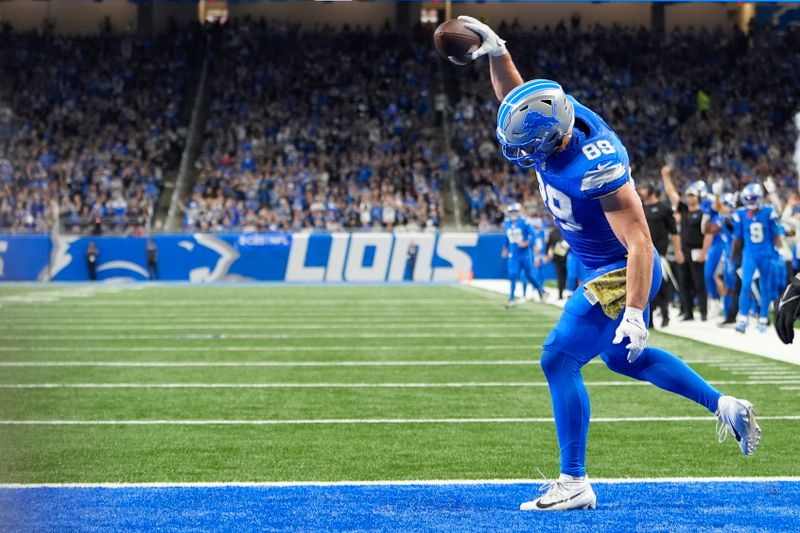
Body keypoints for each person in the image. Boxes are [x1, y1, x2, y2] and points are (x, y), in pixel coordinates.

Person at [456, 15, 761, 512]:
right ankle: (724, 405)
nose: (519, 153)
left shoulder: (597, 167)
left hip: (622, 270)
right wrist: (497, 51)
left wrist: (637, 314)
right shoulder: (555, 116)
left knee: (558, 357)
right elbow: (519, 99)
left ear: (555, 138)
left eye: (528, 145)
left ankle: (574, 481)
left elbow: (640, 243)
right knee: (622, 359)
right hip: (601, 266)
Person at [729, 183, 783, 333]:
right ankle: (743, 318)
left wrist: (780, 251)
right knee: (746, 284)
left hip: (766, 254)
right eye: (748, 198)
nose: (750, 201)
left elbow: (776, 234)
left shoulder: (768, 212)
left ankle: (764, 318)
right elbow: (737, 238)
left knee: (765, 286)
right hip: (750, 254)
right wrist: (732, 257)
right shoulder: (741, 214)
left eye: (753, 198)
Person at [662, 168, 708, 321]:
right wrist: (665, 175)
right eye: (688, 195)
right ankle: (688, 312)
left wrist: (704, 252)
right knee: (684, 282)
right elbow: (671, 193)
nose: (689, 198)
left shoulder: (703, 212)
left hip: (697, 250)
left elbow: (708, 234)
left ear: (699, 197)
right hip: (684, 250)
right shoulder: (683, 210)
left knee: (699, 283)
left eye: (692, 195)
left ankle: (703, 312)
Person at [636, 182, 683, 327]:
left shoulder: (664, 209)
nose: (641, 191)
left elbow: (674, 232)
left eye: (644, 188)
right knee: (643, 287)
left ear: (651, 190)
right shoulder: (639, 208)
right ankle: (648, 320)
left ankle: (665, 314)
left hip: (659, 254)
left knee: (660, 286)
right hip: (642, 254)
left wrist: (677, 250)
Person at [502, 203, 544, 306]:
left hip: (525, 254)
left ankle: (540, 289)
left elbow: (533, 235)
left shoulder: (524, 222)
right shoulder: (507, 223)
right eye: (511, 212)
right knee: (512, 274)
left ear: (518, 212)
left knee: (529, 275)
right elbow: (507, 237)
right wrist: (505, 248)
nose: (513, 214)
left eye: (515, 211)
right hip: (513, 254)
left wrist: (527, 242)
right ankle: (511, 297)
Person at [546, 223, 569, 299]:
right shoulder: (554, 232)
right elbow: (549, 244)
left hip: (567, 257)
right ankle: (560, 294)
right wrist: (547, 253)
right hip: (558, 258)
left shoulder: (567, 229)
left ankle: (566, 293)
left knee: (568, 275)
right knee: (561, 276)